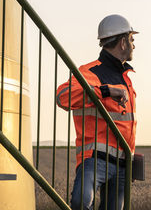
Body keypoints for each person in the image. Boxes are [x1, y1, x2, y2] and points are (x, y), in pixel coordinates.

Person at [56, 14, 139, 210]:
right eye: (132, 40)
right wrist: (105, 91)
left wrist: (132, 160)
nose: (134, 45)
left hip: (122, 165)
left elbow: (126, 124)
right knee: (80, 203)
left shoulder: (126, 78)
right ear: (122, 43)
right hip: (95, 160)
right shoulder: (90, 72)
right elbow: (63, 97)